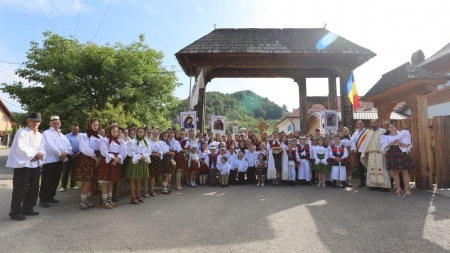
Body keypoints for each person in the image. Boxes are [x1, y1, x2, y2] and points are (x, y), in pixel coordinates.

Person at [7, 112, 45, 221]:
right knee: (20, 189)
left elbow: (42, 148)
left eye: (37, 121)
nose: (35, 123)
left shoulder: (39, 135)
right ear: (28, 121)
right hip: (23, 165)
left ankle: (28, 208)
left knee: (34, 188)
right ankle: (15, 212)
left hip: (35, 165)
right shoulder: (22, 133)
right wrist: (33, 154)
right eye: (33, 121)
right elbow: (20, 148)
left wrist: (40, 155)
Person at [39, 116, 72, 208]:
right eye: (54, 122)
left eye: (58, 122)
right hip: (49, 161)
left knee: (55, 180)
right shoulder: (47, 133)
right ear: (50, 123)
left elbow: (68, 146)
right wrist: (59, 154)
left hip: (60, 161)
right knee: (46, 180)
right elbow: (49, 146)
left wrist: (65, 153)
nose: (56, 124)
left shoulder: (62, 135)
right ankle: (43, 199)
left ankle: (50, 196)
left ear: (60, 123)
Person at [75, 118, 103, 210]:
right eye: (94, 124)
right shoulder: (84, 136)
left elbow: (102, 149)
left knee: (91, 181)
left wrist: (99, 158)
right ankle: (83, 202)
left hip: (96, 159)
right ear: (90, 125)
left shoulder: (99, 137)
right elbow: (84, 148)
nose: (96, 126)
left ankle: (87, 200)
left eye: (97, 125)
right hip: (88, 159)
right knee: (87, 180)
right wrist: (95, 157)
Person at [381, 123, 415, 196]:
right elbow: (385, 145)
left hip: (401, 152)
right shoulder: (385, 136)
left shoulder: (402, 133)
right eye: (390, 127)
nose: (392, 128)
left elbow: (408, 142)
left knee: (404, 172)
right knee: (395, 172)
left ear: (395, 127)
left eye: (393, 126)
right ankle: (398, 188)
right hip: (392, 153)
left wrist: (406, 145)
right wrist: (394, 142)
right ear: (388, 129)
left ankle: (407, 189)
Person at [98, 125, 126, 208]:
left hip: (115, 161)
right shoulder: (105, 140)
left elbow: (123, 151)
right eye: (113, 131)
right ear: (109, 131)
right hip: (108, 162)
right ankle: (104, 201)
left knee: (111, 182)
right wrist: (113, 158)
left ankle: (110, 200)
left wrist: (118, 158)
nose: (115, 133)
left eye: (116, 131)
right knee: (106, 182)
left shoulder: (120, 141)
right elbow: (104, 151)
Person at [360, 119, 391, 191]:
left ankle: (384, 185)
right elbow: (366, 144)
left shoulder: (383, 131)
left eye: (374, 123)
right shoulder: (369, 133)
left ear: (377, 123)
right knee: (372, 169)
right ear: (370, 124)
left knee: (382, 168)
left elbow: (386, 142)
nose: (373, 124)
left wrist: (386, 152)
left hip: (381, 153)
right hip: (371, 154)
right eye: (372, 123)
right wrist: (366, 152)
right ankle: (373, 184)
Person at [126, 127, 151, 204]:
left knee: (140, 179)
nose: (140, 133)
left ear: (144, 133)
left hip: (142, 161)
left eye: (142, 132)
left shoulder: (145, 142)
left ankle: (138, 196)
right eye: (139, 132)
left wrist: (145, 156)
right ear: (136, 133)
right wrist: (137, 157)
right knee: (133, 179)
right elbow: (129, 152)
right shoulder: (132, 141)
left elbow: (149, 151)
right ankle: (133, 197)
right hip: (135, 161)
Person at [60, 123, 80, 192]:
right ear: (71, 129)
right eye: (74, 129)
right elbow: (65, 146)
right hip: (68, 155)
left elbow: (82, 145)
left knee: (75, 171)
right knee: (66, 170)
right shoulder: (66, 136)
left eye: (77, 129)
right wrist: (71, 154)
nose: (76, 130)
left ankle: (73, 185)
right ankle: (63, 186)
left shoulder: (81, 136)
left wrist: (77, 153)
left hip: (77, 154)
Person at [351, 120, 370, 187]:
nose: (360, 125)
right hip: (358, 152)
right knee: (361, 167)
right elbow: (352, 142)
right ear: (356, 125)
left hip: (366, 151)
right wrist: (354, 149)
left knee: (368, 166)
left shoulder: (368, 132)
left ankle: (370, 181)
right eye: (358, 124)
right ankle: (362, 181)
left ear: (363, 124)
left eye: (361, 123)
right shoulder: (355, 133)